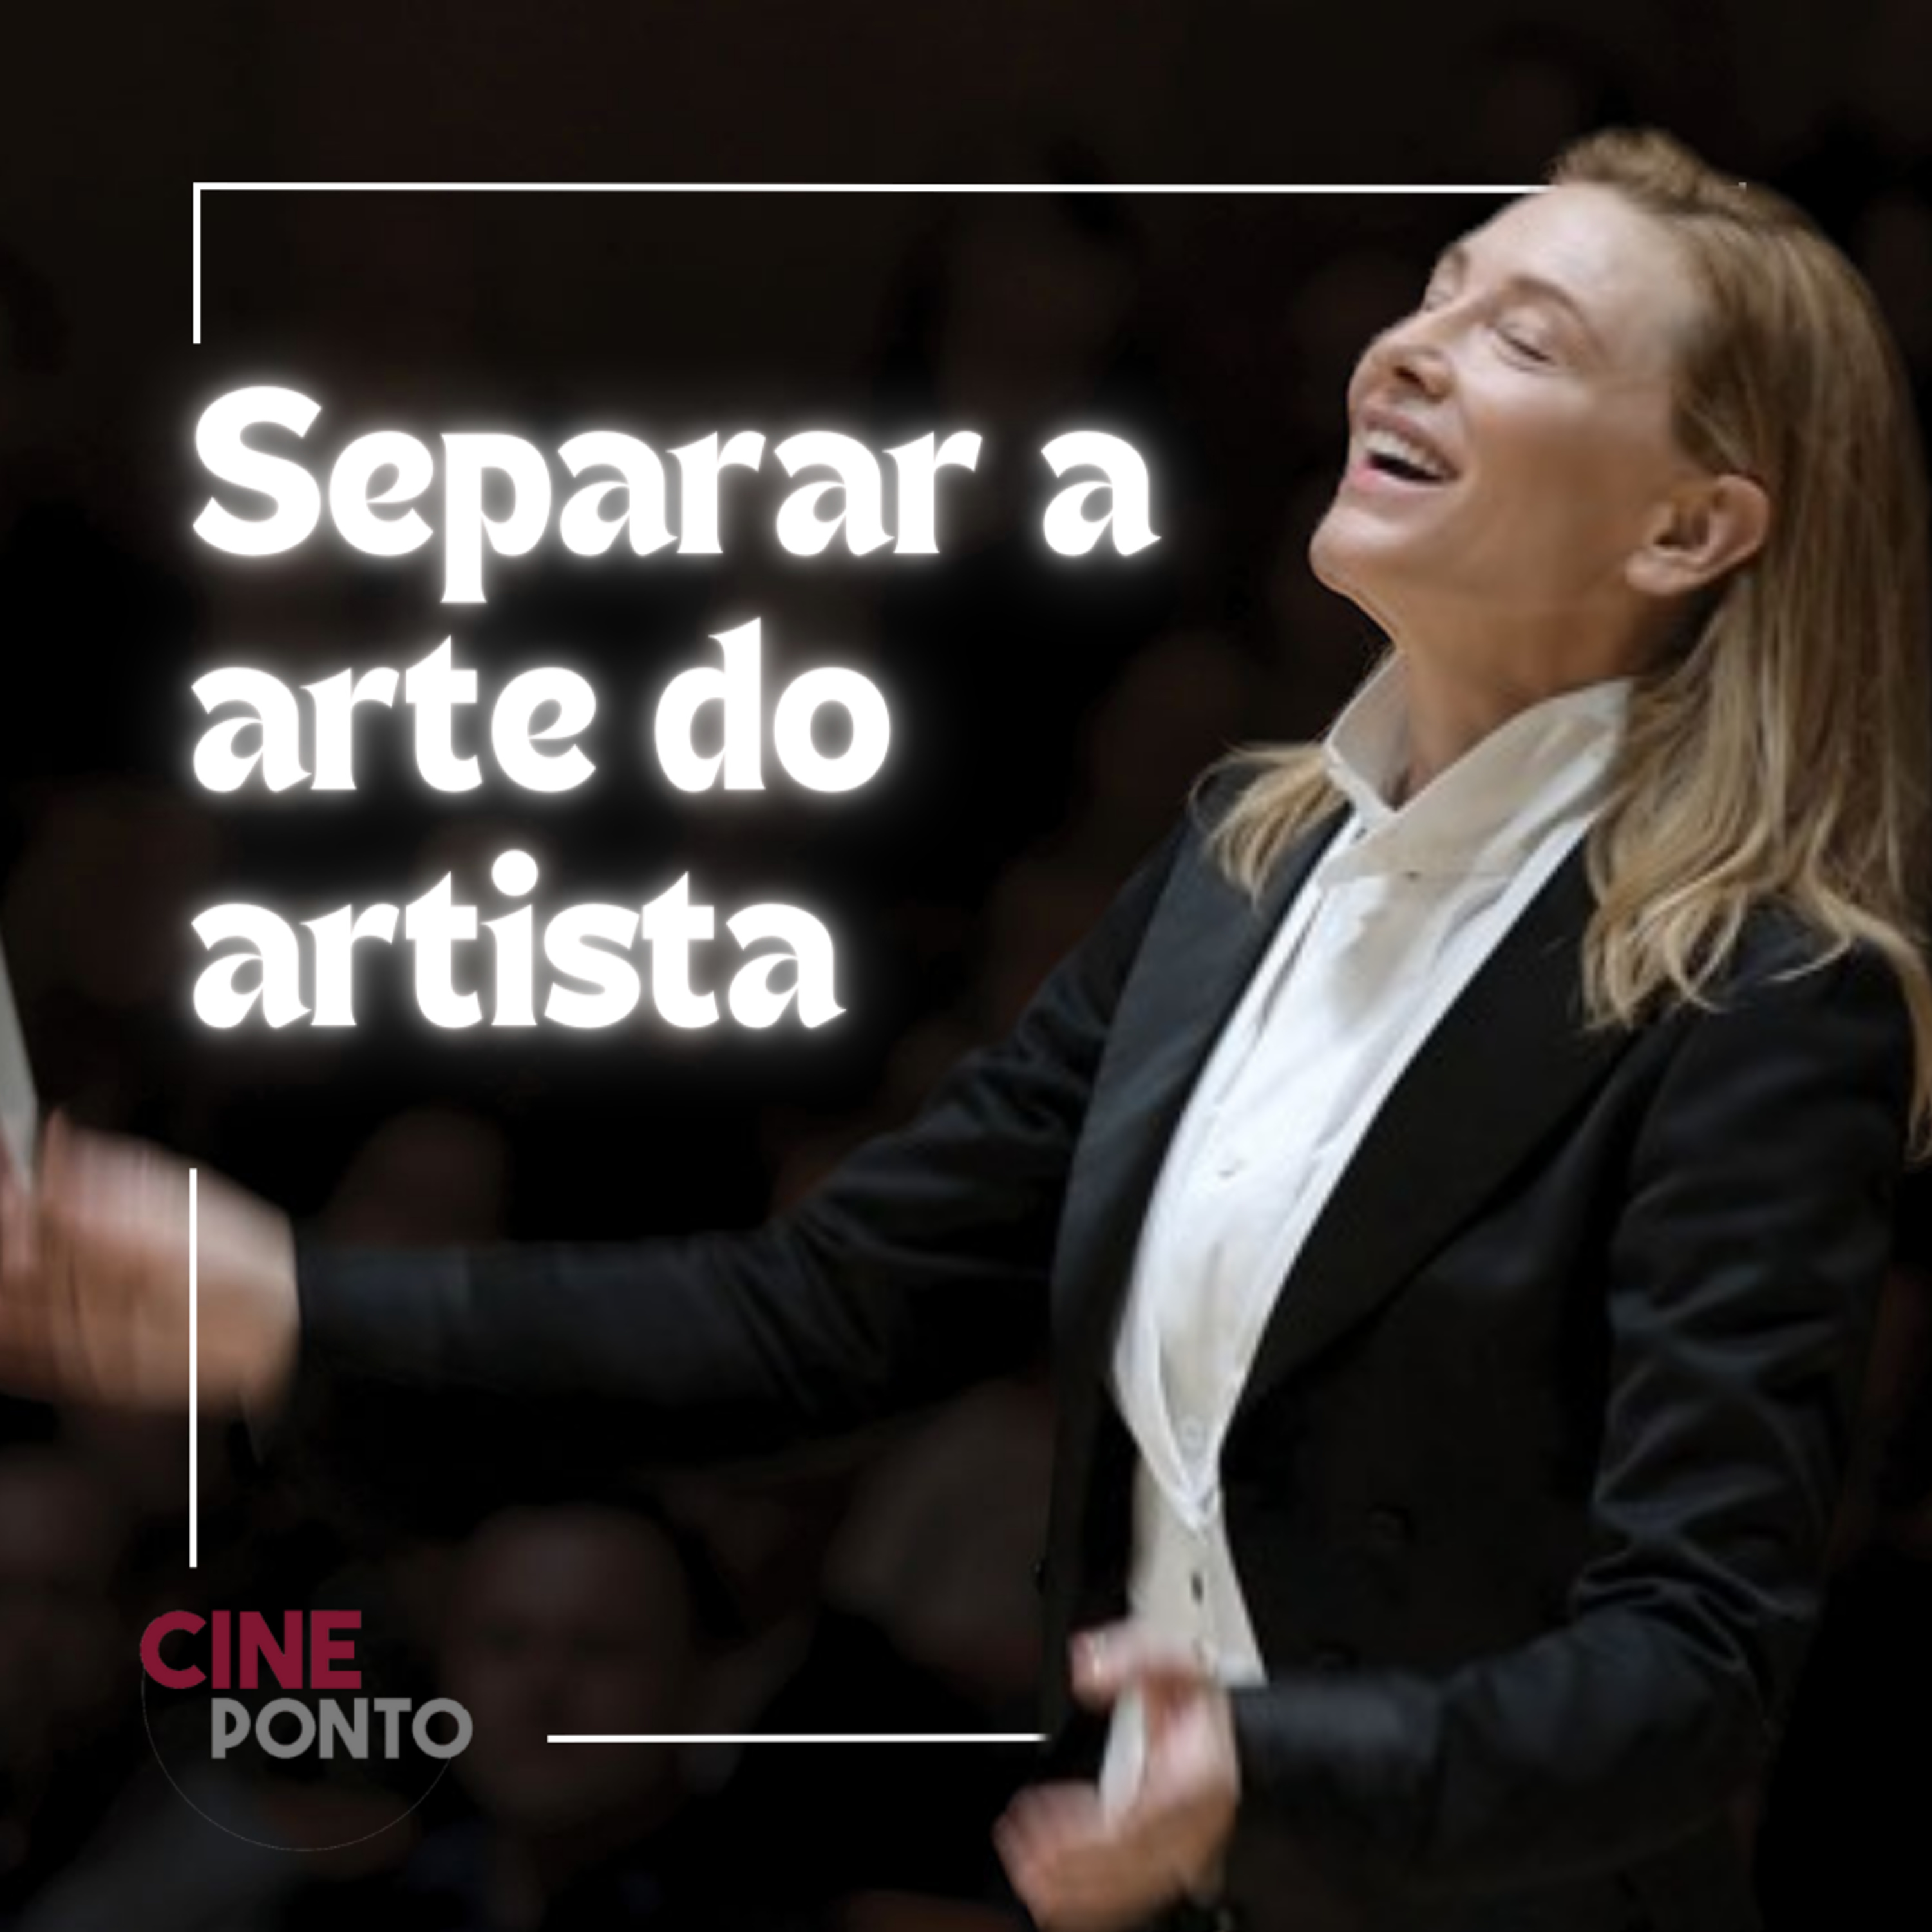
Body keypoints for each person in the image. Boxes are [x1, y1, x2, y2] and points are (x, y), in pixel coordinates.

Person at [3, 128, 1929, 1932]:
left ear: (1689, 527)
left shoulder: (1765, 991)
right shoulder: (1240, 867)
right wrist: (294, 1306)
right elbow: (823, 1309)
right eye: (1437, 288)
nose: (1413, 349)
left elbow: (1696, 1661)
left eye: (1525, 338)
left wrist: (1270, 1769)